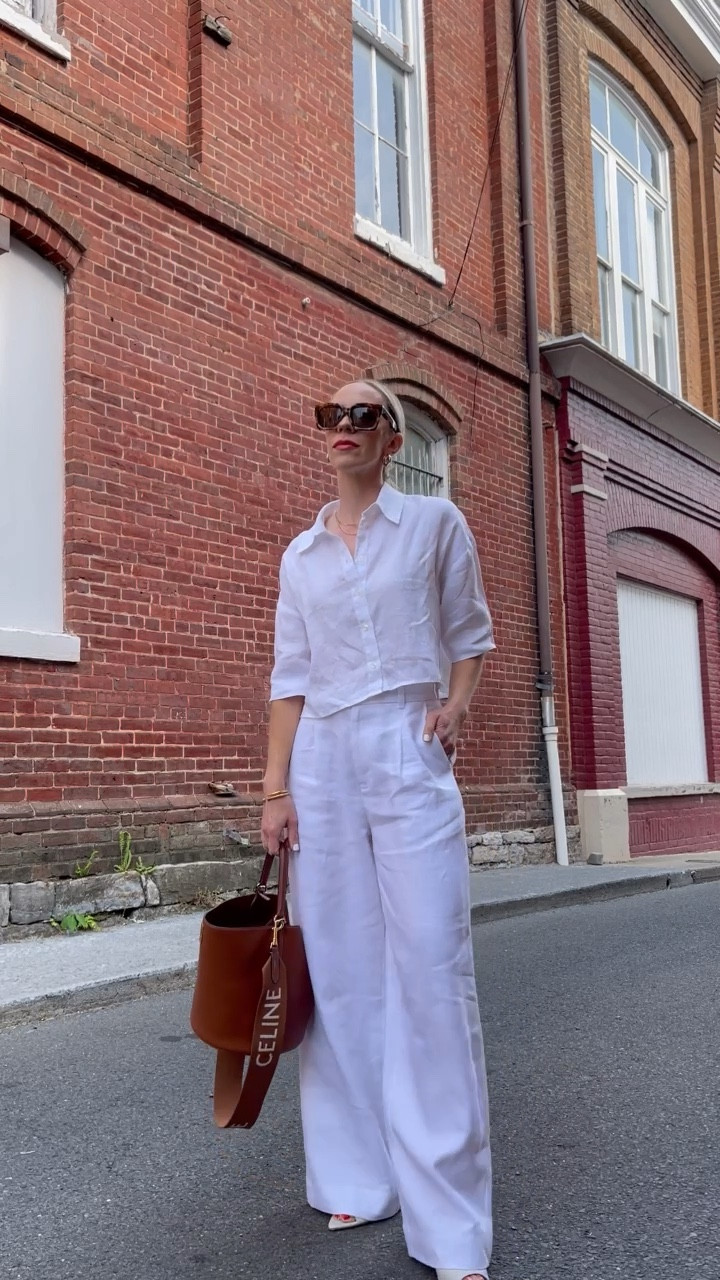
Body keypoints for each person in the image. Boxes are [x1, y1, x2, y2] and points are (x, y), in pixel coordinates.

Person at [261, 379, 495, 1280]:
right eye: (331, 414)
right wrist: (274, 791)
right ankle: (359, 1176)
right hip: (320, 761)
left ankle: (452, 1228)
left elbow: (469, 634)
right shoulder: (301, 555)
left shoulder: (435, 525)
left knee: (432, 965)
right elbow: (289, 678)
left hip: (405, 739)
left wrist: (455, 708)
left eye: (365, 415)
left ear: (393, 440)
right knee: (341, 971)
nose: (345, 426)